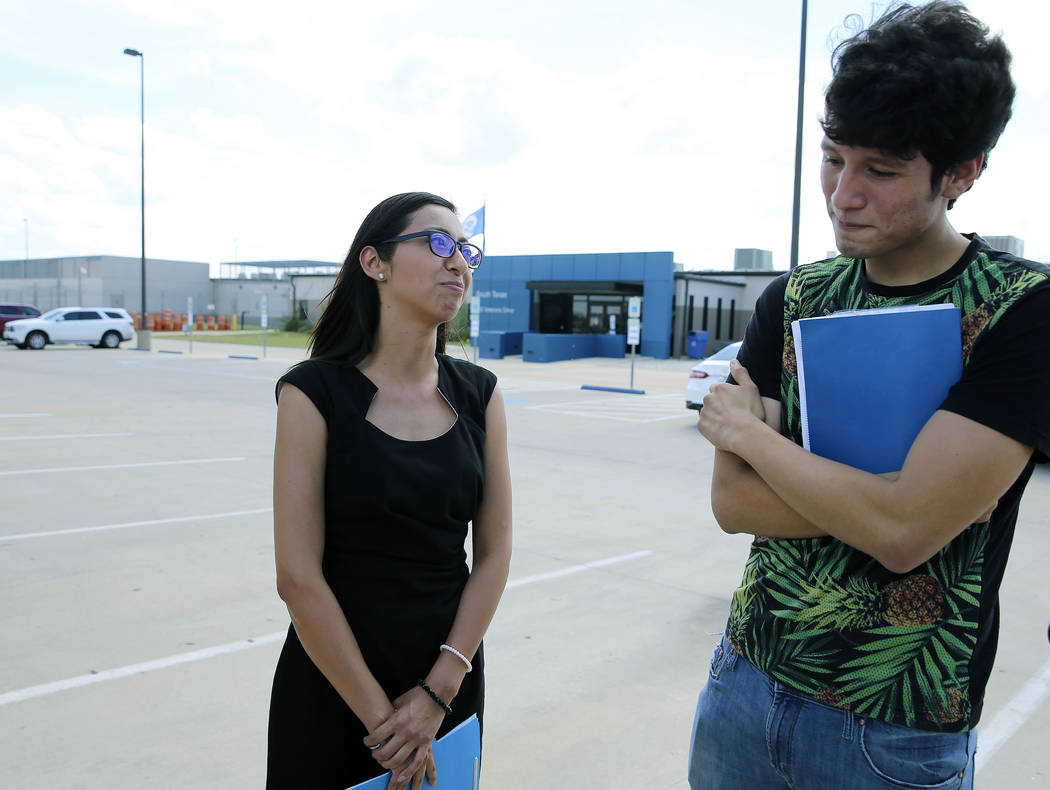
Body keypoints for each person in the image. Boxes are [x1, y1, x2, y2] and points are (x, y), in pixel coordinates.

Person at [688, 3, 1050, 788]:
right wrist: (900, 501)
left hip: (896, 731)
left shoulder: (1020, 310)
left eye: (880, 171)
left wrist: (753, 440)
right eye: (832, 158)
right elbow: (732, 506)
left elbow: (902, 536)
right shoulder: (794, 298)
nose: (842, 194)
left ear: (962, 173)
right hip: (744, 679)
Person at [266, 192, 512, 790]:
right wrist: (388, 726)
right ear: (374, 263)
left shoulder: (480, 393)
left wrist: (438, 693)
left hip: (448, 682)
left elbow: (496, 555)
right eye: (437, 243)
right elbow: (297, 576)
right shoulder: (312, 393)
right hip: (335, 685)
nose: (458, 262)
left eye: (465, 250)